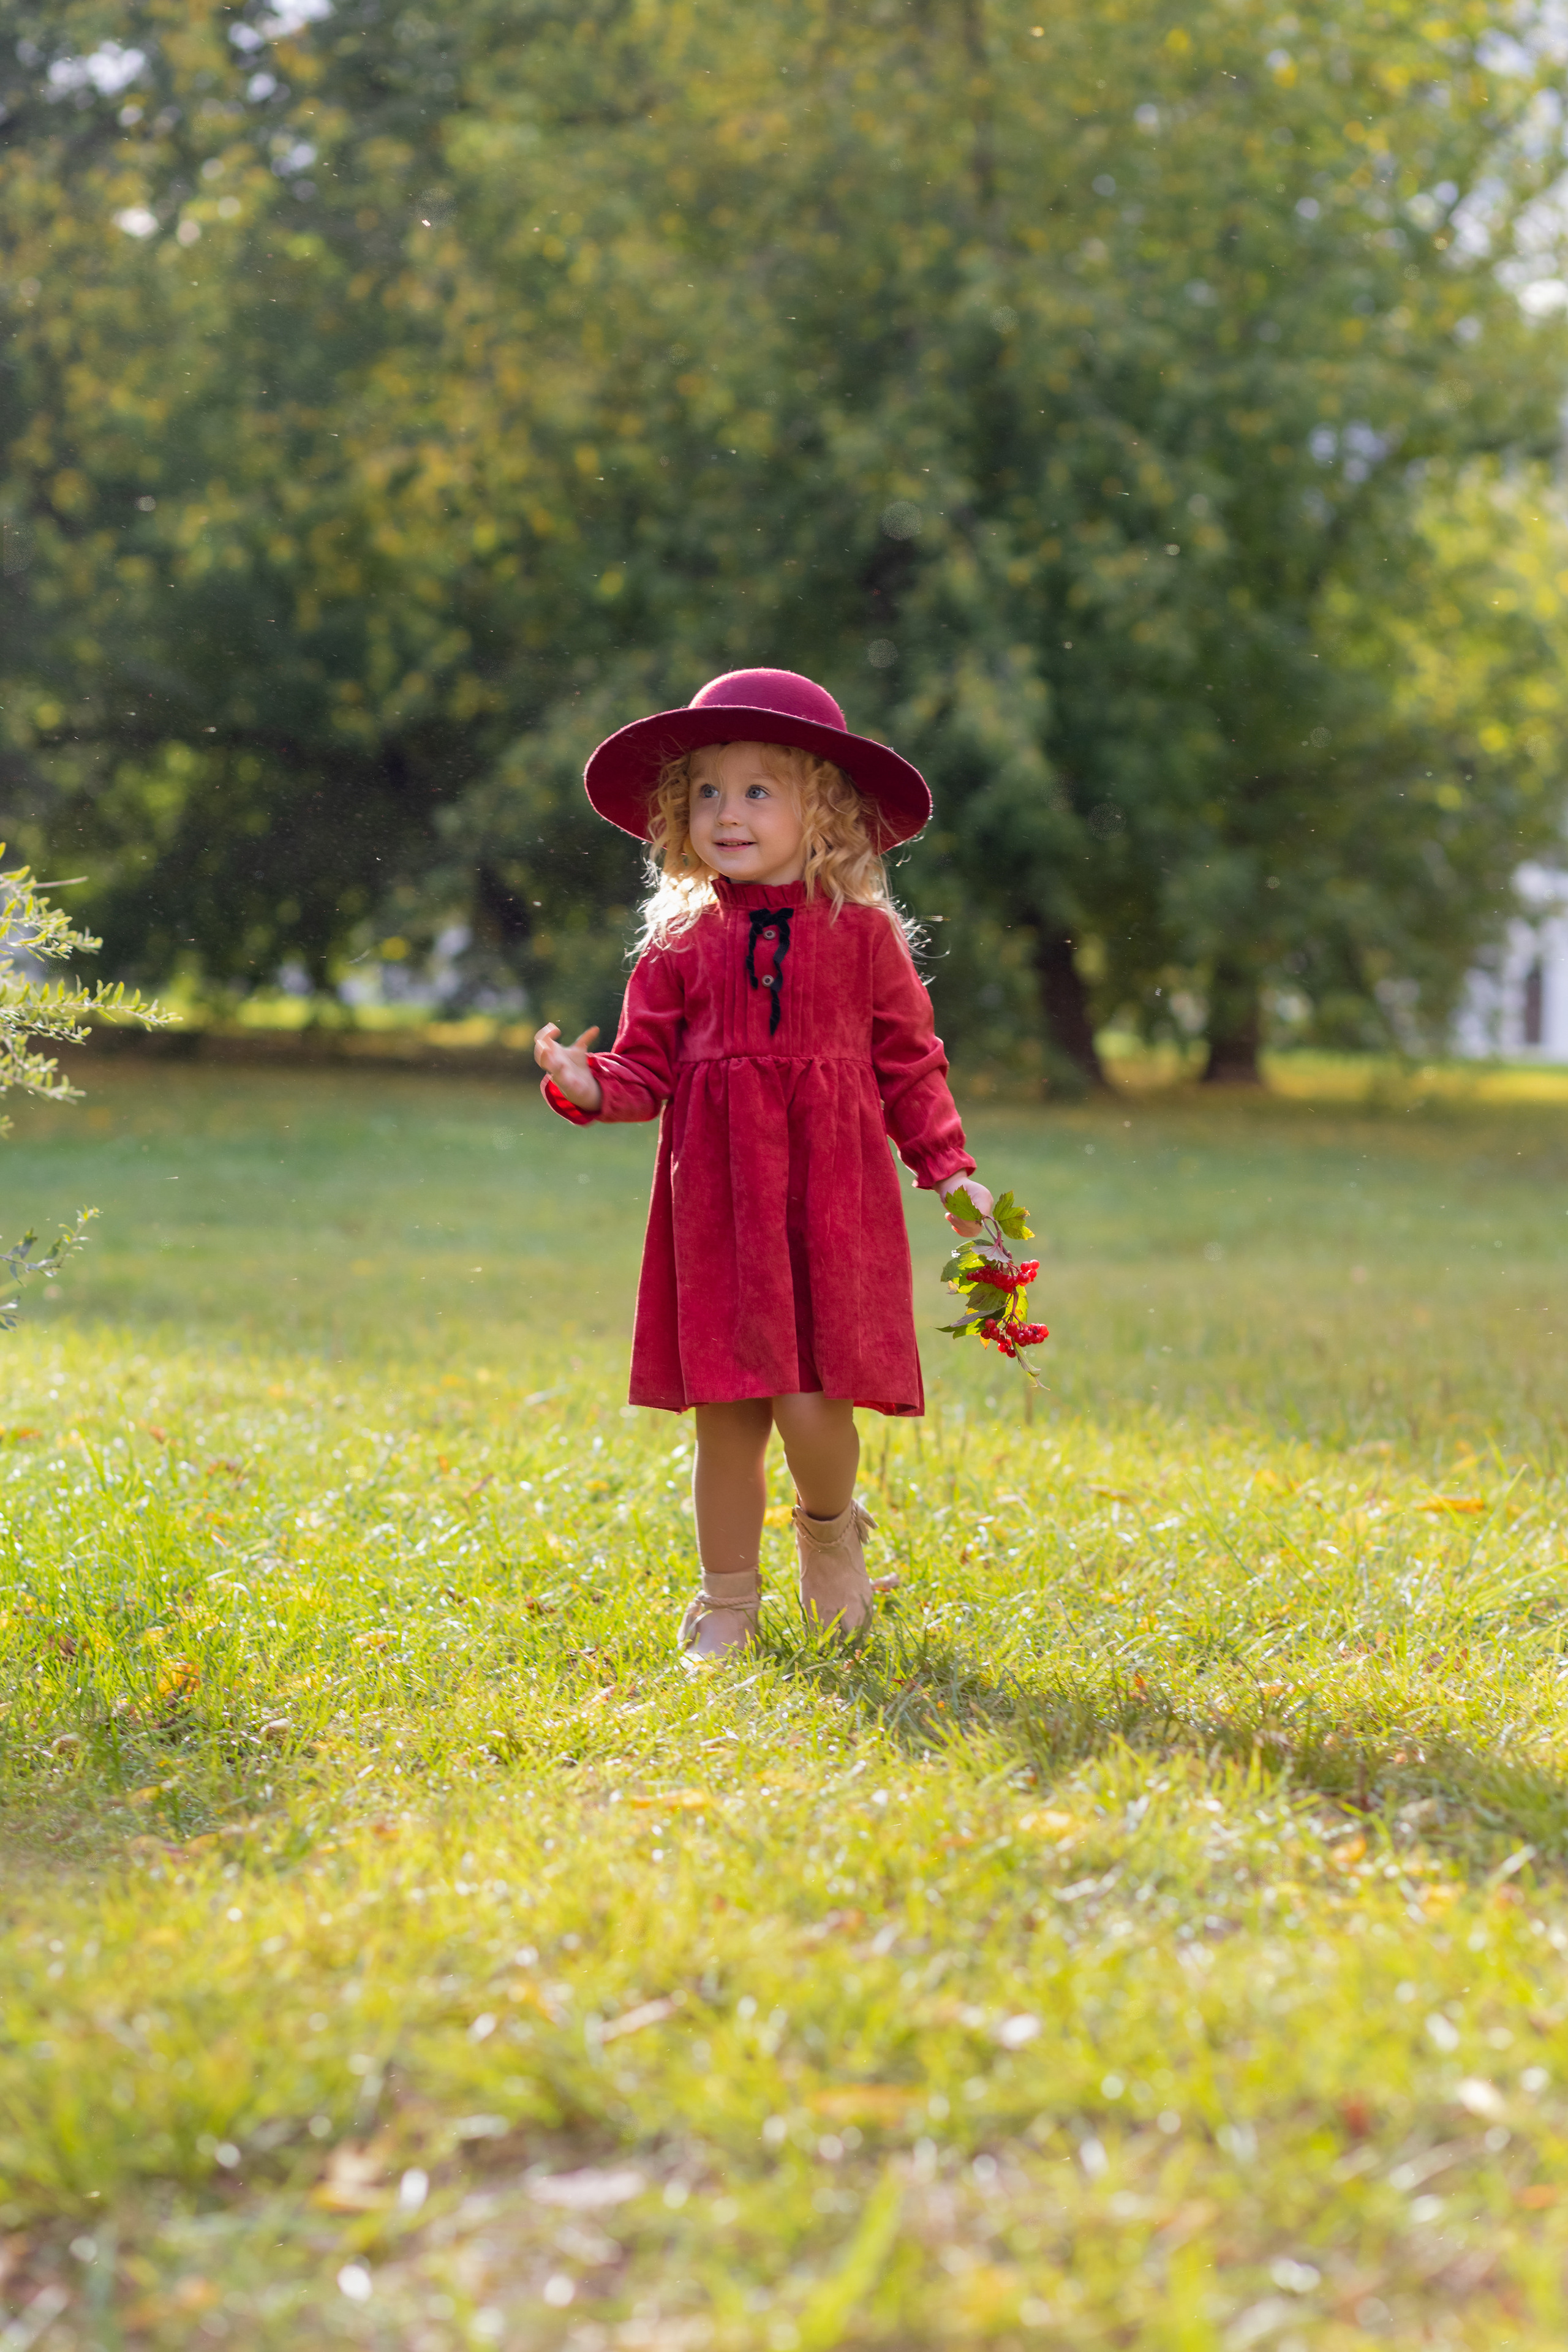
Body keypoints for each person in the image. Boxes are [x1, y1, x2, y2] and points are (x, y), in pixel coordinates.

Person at [533, 668, 992, 1662]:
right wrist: (583, 1078)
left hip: (831, 1197)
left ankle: (829, 1532)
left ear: (822, 811)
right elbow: (643, 1071)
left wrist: (951, 1174)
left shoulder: (864, 939)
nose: (726, 813)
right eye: (705, 791)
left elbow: (910, 1064)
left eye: (756, 790)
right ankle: (727, 1602)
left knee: (812, 1402)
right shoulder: (679, 945)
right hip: (719, 1202)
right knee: (729, 1414)